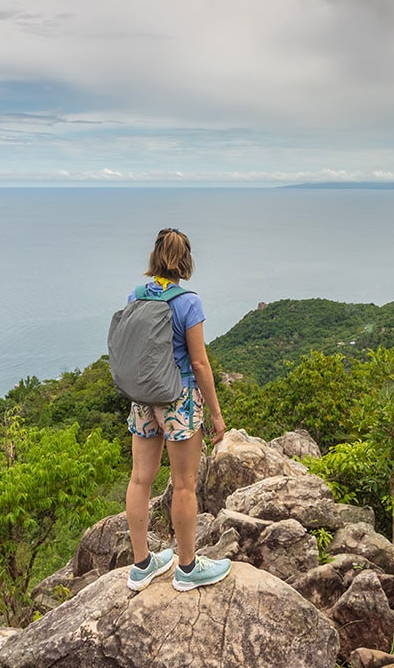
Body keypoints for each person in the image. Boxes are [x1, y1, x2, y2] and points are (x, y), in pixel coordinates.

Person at [125, 228, 232, 592]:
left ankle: (141, 565)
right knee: (184, 484)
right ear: (185, 260)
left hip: (143, 397)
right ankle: (187, 568)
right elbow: (200, 364)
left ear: (154, 257)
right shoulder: (188, 302)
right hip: (179, 399)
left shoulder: (136, 296)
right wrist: (216, 414)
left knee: (140, 478)